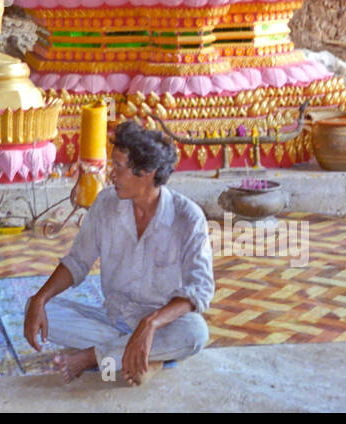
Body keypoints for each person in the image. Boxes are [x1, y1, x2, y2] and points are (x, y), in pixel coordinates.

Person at [24, 120, 214, 385]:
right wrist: (39, 299)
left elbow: (200, 289)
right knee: (42, 311)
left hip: (163, 324)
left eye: (119, 168)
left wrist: (150, 324)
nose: (111, 175)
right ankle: (141, 356)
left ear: (147, 172)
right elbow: (78, 261)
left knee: (195, 332)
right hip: (112, 319)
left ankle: (94, 357)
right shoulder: (105, 204)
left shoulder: (188, 217)